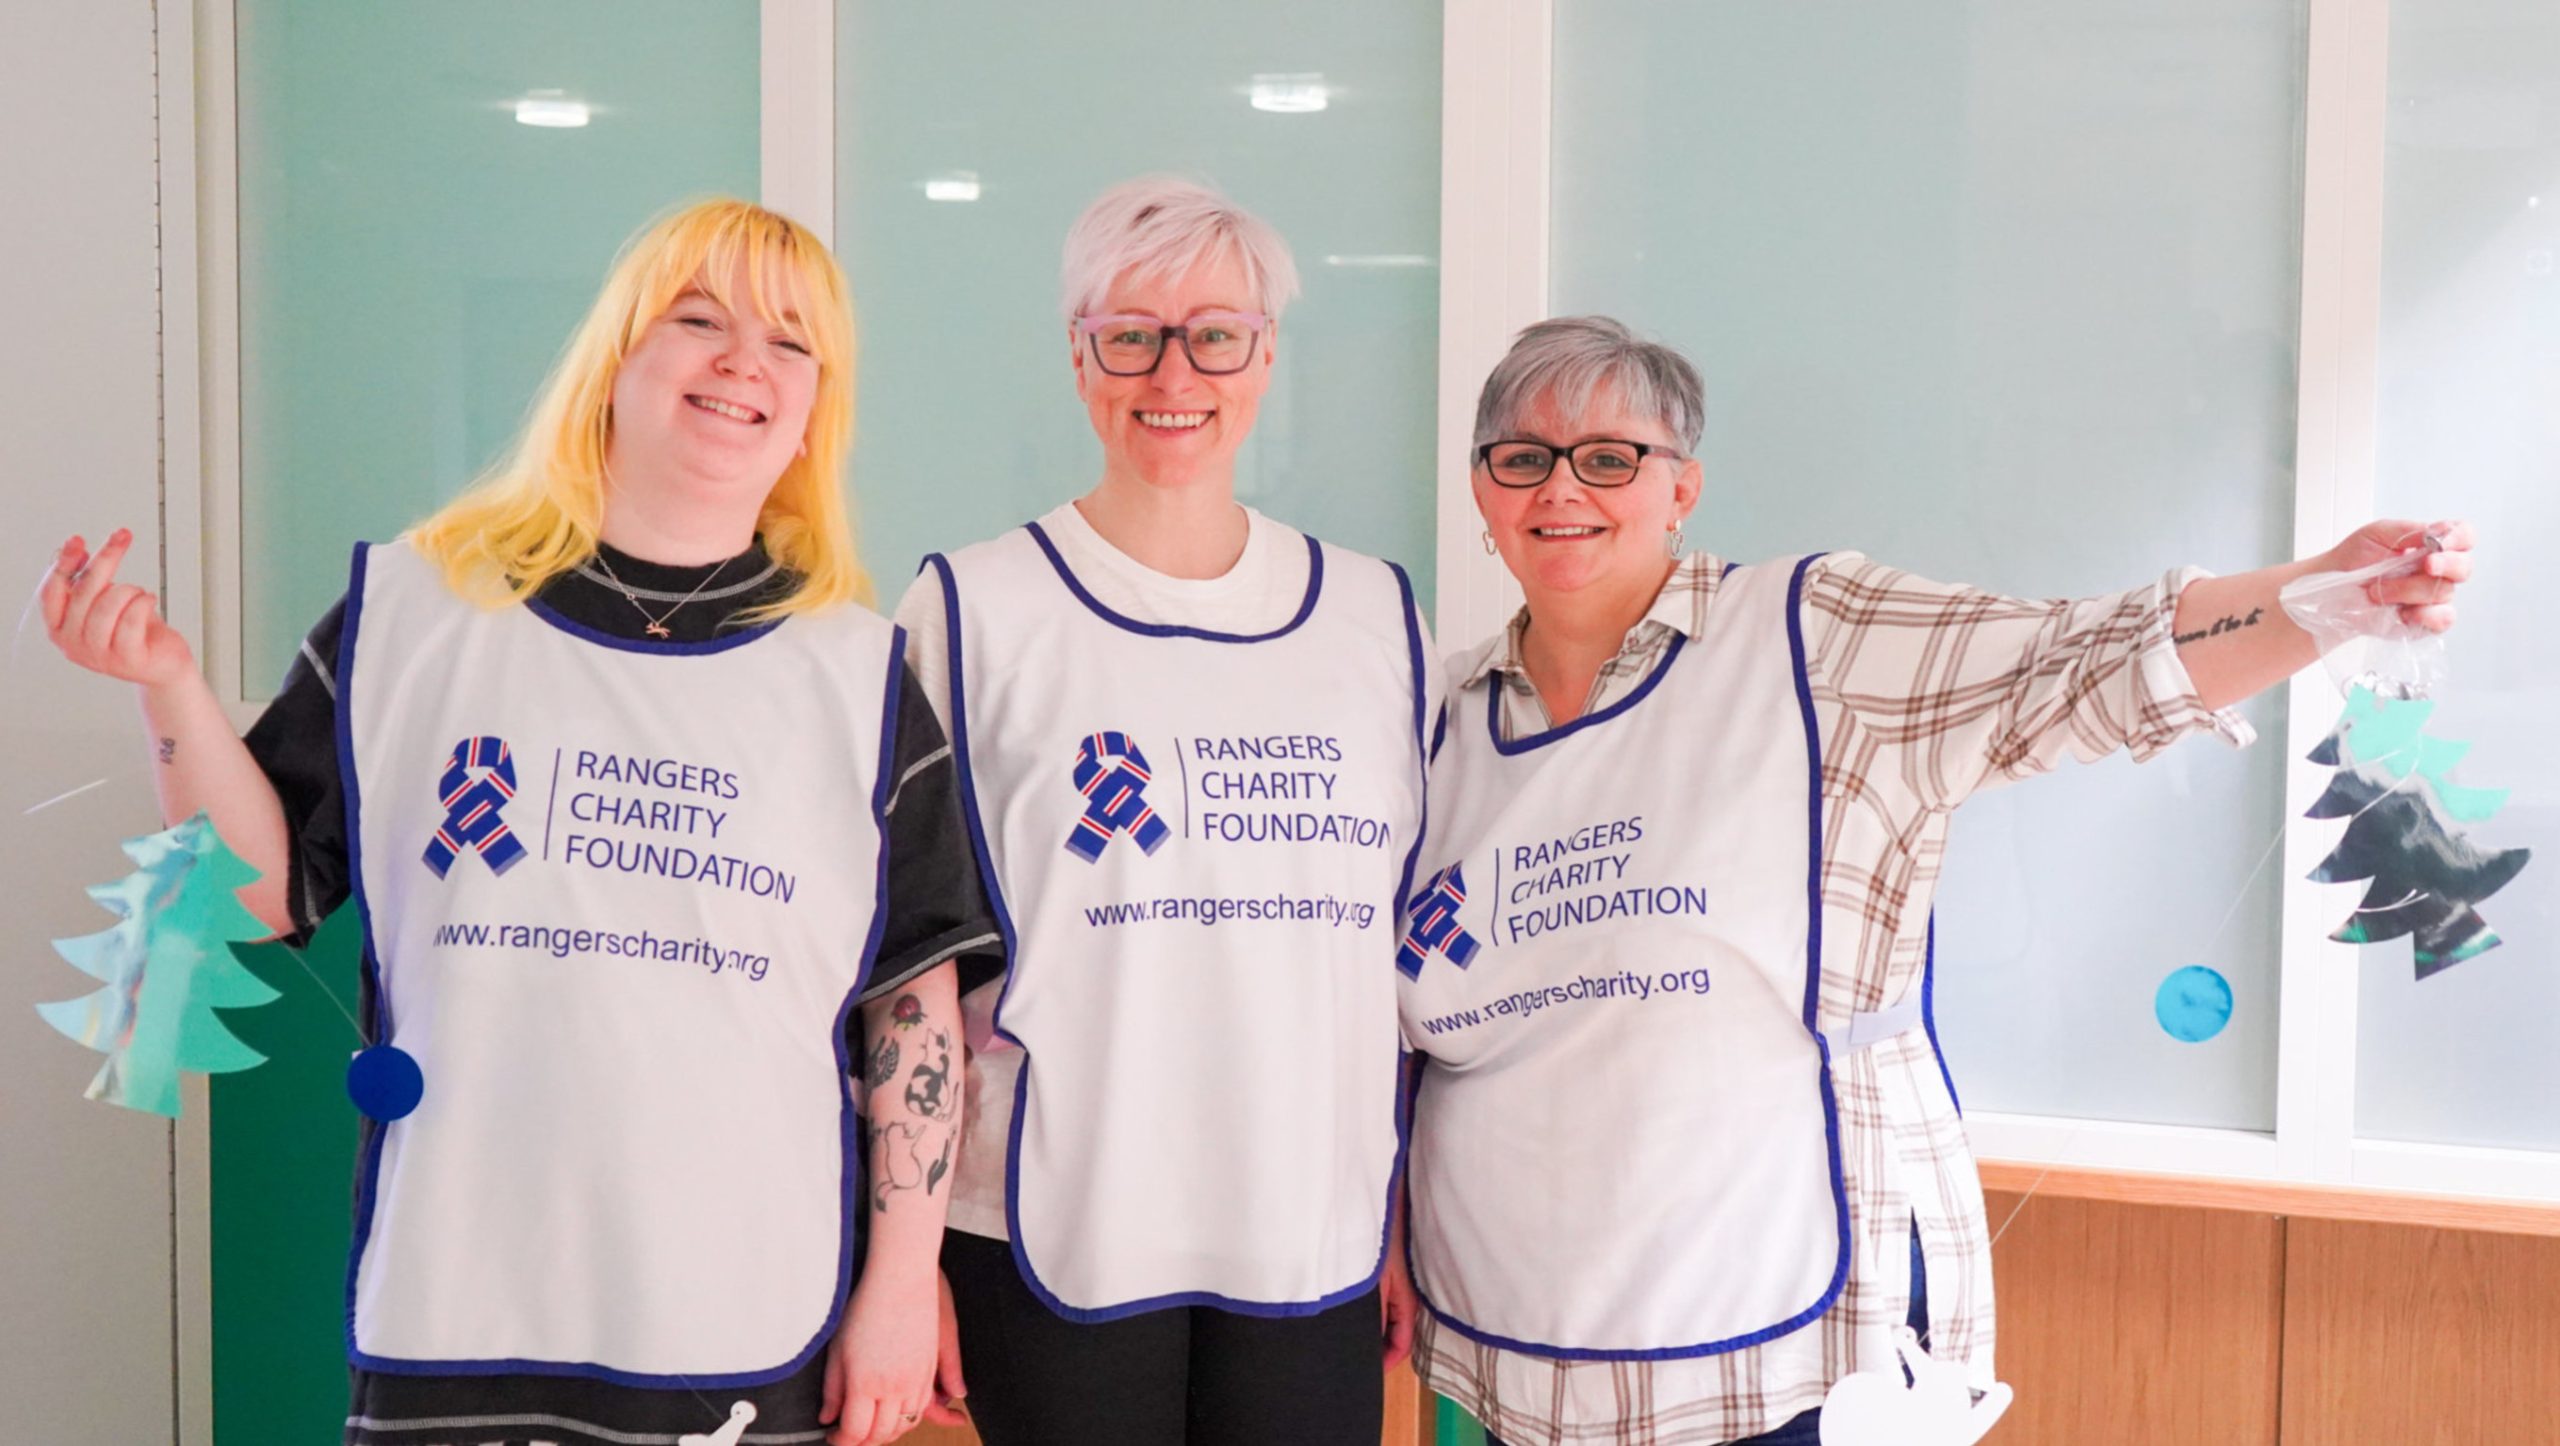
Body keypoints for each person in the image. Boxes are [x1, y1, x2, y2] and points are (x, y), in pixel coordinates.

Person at [1393, 317, 2477, 1446]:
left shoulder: (1813, 636)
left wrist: (2329, 590)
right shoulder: (1436, 719)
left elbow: (2085, 657)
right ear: (1482, 492)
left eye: (1609, 456)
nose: (1562, 487)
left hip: (1792, 1324)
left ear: (1683, 488)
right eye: (1520, 457)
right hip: (1514, 1332)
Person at [42, 199, 993, 1446]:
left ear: (817, 408)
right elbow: (256, 898)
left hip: (743, 1321)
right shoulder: (417, 621)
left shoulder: (858, 676)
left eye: (790, 342)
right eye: (698, 320)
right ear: (616, 362)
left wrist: (898, 1282)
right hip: (459, 1304)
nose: (741, 362)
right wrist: (167, 687)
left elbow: (911, 1004)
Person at [896, 175, 1436, 1445]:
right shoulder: (971, 612)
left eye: (1216, 333)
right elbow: (895, 962)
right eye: (1129, 334)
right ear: (1079, 357)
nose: (1171, 372)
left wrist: (1409, 1220)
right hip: (1052, 1228)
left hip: (1308, 1230)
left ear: (1264, 356)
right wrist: (898, 1260)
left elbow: (1397, 963)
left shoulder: (1374, 619)